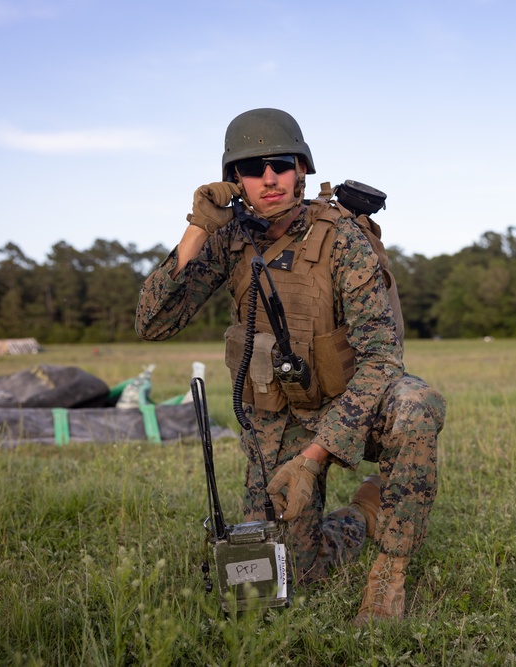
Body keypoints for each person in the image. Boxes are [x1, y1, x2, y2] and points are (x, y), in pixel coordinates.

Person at [135, 108, 445, 624]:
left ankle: (389, 574)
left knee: (415, 405)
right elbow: (153, 323)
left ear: (301, 168)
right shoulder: (229, 237)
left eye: (280, 164)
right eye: (252, 169)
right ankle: (365, 513)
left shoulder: (342, 236)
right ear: (235, 181)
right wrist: (196, 229)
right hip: (280, 412)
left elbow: (382, 358)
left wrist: (315, 456)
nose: (269, 178)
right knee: (288, 573)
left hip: (351, 402)